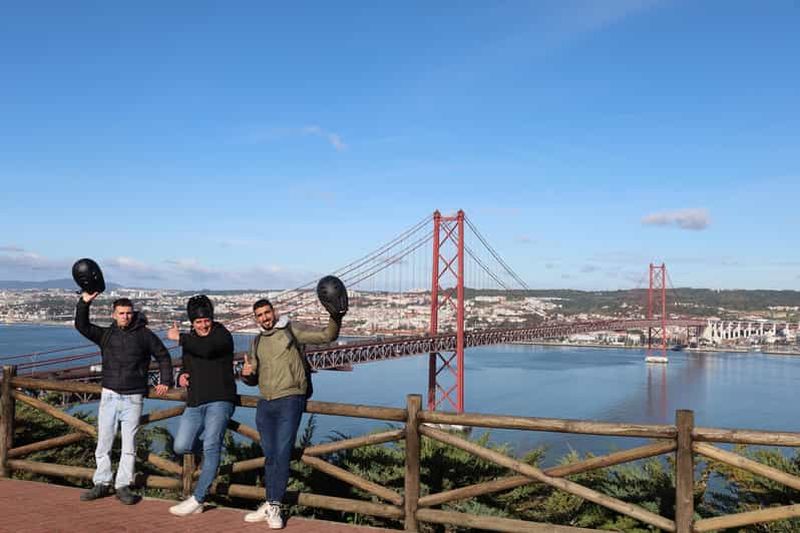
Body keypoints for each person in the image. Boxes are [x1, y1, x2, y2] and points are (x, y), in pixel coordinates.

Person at [241, 298, 344, 529]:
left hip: (290, 399)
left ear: (274, 312)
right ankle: (269, 503)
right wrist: (245, 373)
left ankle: (275, 506)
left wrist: (336, 315)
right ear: (255, 318)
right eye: (260, 315)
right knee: (270, 455)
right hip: (265, 404)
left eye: (267, 312)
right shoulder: (256, 341)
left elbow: (327, 336)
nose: (265, 318)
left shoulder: (291, 330)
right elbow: (252, 377)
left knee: (282, 453)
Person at [74, 291, 173, 504]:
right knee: (104, 442)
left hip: (133, 396)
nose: (126, 316)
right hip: (109, 394)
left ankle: (123, 486)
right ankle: (101, 483)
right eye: (121, 313)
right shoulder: (105, 335)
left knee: (129, 445)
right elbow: (82, 326)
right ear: (113, 314)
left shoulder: (145, 335)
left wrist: (165, 381)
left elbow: (163, 356)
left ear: (133, 314)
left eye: (129, 313)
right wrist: (84, 302)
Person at [167, 295, 237, 516]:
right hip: (196, 401)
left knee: (210, 445)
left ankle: (198, 498)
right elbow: (188, 362)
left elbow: (207, 349)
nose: (203, 325)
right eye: (198, 322)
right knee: (180, 445)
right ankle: (211, 459)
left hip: (220, 399)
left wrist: (179, 338)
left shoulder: (222, 335)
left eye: (206, 320)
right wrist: (182, 375)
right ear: (192, 323)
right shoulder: (190, 341)